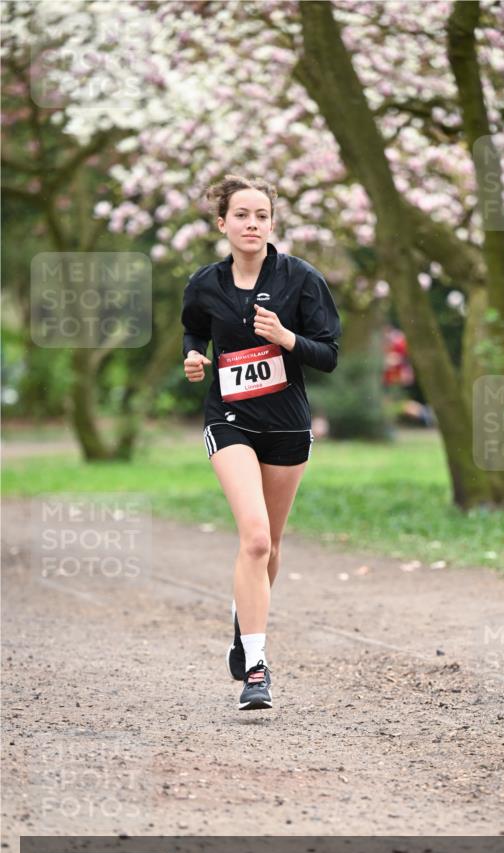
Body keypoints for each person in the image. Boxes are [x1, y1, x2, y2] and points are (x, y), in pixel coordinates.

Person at [182, 174, 341, 711]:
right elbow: (193, 330)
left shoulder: (301, 280)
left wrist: (287, 339)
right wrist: (194, 356)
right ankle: (256, 668)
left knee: (270, 547)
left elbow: (329, 354)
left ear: (272, 224)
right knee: (253, 539)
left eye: (262, 216)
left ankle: (242, 621)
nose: (252, 224)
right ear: (222, 222)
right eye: (242, 215)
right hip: (229, 419)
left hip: (287, 425)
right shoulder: (205, 284)